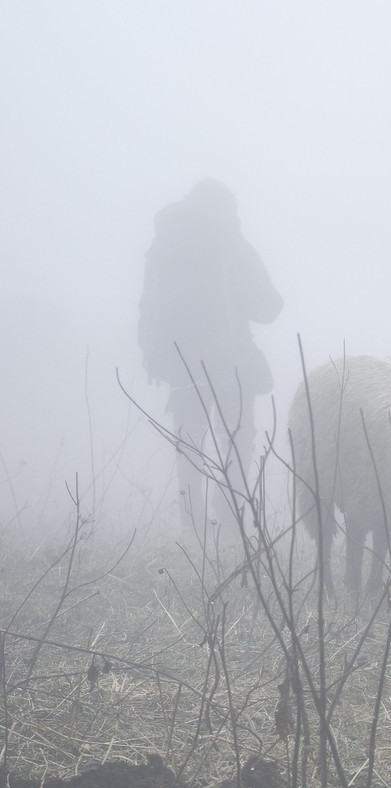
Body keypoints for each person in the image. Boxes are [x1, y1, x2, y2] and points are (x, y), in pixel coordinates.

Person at [137, 179, 283, 530]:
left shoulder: (164, 243)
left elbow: (148, 303)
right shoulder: (232, 244)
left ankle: (192, 527)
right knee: (237, 439)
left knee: (188, 442)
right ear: (227, 210)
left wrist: (153, 352)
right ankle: (230, 518)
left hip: (180, 362)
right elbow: (268, 306)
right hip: (232, 363)